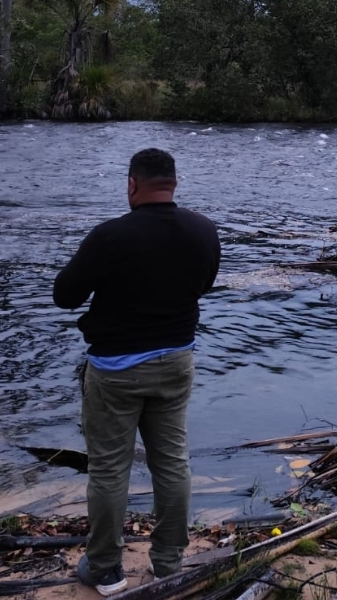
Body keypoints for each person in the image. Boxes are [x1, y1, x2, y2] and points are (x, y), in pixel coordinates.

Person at [53, 148, 220, 596]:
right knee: (172, 463)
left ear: (132, 184)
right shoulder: (203, 230)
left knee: (108, 469)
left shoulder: (110, 237)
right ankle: (168, 563)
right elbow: (203, 284)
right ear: (174, 183)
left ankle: (106, 568)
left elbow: (65, 296)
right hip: (177, 362)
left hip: (116, 370)